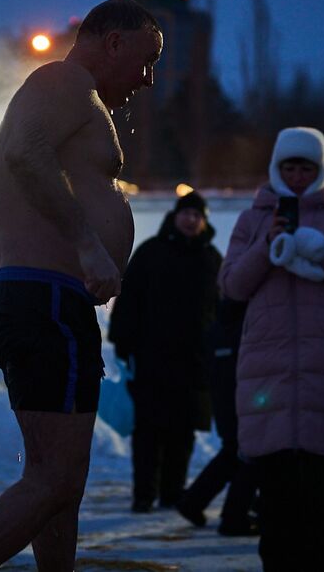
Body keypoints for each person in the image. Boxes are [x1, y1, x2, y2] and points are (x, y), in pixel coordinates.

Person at [0, 0, 162, 572]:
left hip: (37, 295)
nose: (148, 79)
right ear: (114, 42)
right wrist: (83, 246)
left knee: (59, 482)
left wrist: (8, 256)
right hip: (44, 300)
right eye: (146, 60)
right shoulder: (65, 79)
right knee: (53, 480)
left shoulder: (65, 95)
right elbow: (19, 154)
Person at [220, 126, 324, 571]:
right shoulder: (253, 221)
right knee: (277, 511)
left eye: (307, 167)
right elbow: (231, 285)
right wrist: (268, 244)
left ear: (321, 168)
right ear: (276, 168)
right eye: (291, 166)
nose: (299, 176)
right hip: (271, 379)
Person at [108, 191, 222, 513]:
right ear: (174, 217)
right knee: (148, 432)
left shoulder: (212, 259)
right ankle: (144, 494)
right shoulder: (150, 253)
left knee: (182, 434)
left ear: (204, 221)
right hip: (151, 359)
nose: (191, 220)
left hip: (194, 363)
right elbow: (127, 302)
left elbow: (222, 307)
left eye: (197, 215)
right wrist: (123, 342)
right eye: (186, 214)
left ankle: (173, 493)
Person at [174, 297, 260, 536]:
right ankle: (234, 515)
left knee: (234, 451)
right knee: (249, 454)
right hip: (245, 398)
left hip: (224, 398)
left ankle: (194, 501)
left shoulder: (219, 325)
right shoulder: (248, 323)